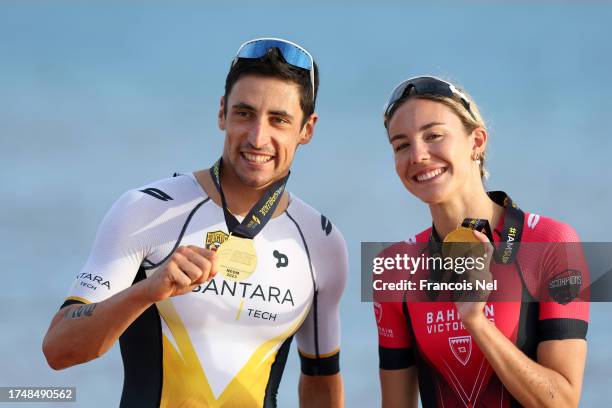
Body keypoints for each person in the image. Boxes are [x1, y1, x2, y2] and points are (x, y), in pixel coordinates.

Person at [43, 37, 347, 408]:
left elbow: (320, 383)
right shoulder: (147, 211)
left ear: (307, 129)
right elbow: (59, 349)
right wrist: (148, 290)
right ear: (222, 113)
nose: (257, 137)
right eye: (244, 113)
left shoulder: (322, 241)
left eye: (279, 120)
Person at [374, 76, 589, 407]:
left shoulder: (552, 243)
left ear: (477, 142)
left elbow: (562, 402)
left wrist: (476, 321)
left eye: (433, 136)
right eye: (401, 145)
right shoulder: (394, 268)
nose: (417, 155)